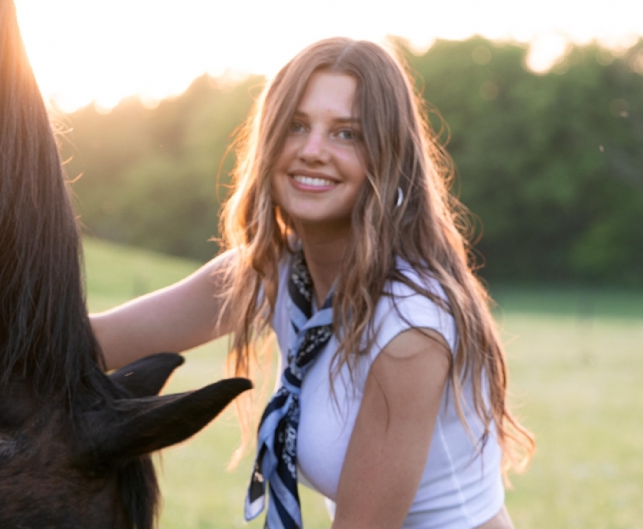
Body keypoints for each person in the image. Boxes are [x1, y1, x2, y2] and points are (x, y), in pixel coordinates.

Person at [91, 37, 534, 529]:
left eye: (347, 134)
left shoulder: (410, 325)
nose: (313, 151)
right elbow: (91, 342)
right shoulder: (272, 273)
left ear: (388, 158)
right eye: (297, 126)